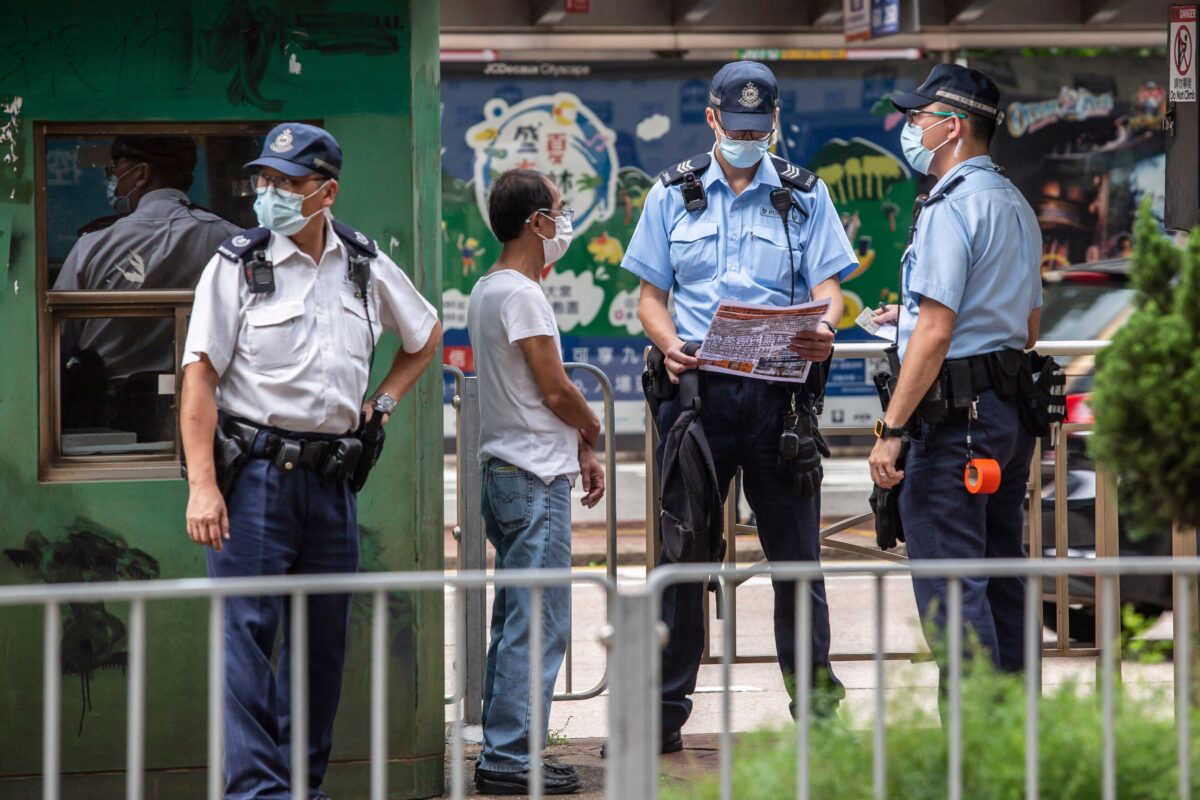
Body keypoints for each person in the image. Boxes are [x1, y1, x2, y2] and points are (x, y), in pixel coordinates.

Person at [180, 123, 441, 800]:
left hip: (331, 483)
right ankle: (256, 793)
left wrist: (381, 402)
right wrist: (203, 486)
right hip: (255, 478)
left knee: (321, 652)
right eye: (266, 180)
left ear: (327, 192)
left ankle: (301, 787)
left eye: (289, 184)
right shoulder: (237, 264)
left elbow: (425, 334)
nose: (271, 194)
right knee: (246, 643)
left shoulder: (364, 263)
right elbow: (199, 379)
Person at [622, 60, 857, 748]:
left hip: (780, 400)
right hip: (696, 398)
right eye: (738, 126)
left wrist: (826, 328)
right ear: (712, 119)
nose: (750, 137)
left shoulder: (806, 195)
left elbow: (829, 287)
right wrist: (668, 344)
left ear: (775, 122)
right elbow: (648, 298)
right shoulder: (672, 194)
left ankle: (818, 716)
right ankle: (662, 718)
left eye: (761, 128)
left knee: (796, 562)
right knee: (682, 559)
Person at [868, 64, 1043, 676]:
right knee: (1001, 575)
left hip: (952, 428)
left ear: (954, 127)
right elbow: (1026, 330)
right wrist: (910, 318)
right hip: (1005, 417)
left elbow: (937, 331)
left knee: (951, 583)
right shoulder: (1015, 203)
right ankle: (1015, 745)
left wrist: (891, 431)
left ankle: (970, 756)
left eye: (918, 118)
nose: (910, 127)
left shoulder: (950, 207)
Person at [467, 168, 604, 795]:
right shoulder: (522, 294)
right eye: (559, 208)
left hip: (507, 469)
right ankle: (511, 759)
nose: (564, 220)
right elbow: (553, 389)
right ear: (536, 223)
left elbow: (530, 394)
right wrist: (592, 426)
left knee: (515, 618)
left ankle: (506, 750)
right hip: (532, 477)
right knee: (539, 621)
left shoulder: (487, 289)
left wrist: (576, 444)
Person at [55, 135, 240, 440]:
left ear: (140, 174)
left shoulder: (94, 244)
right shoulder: (228, 239)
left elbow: (60, 341)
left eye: (115, 170)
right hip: (206, 410)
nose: (113, 180)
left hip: (107, 415)